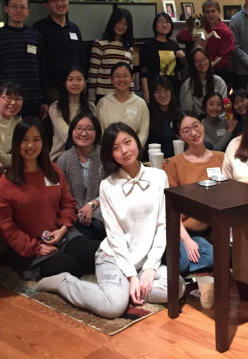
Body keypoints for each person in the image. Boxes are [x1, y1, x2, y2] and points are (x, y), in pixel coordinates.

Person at [35, 122, 186, 319]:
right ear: (110, 154)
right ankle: (63, 282)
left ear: (136, 141)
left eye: (127, 142)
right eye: (116, 148)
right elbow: (114, 236)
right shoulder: (108, 186)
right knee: (113, 307)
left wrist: (149, 269)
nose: (124, 150)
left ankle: (127, 289)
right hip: (114, 257)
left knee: (177, 287)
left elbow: (162, 225)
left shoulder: (158, 176)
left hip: (145, 262)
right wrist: (131, 276)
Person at [0, 117, 100, 281]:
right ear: (16, 143)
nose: (30, 145)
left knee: (95, 253)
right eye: (25, 140)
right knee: (72, 268)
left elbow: (68, 203)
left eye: (36, 139)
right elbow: (5, 225)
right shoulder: (7, 181)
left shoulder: (53, 171)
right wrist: (35, 247)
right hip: (32, 246)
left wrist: (63, 228)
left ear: (43, 142)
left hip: (62, 234)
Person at [165, 112, 219, 275]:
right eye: (186, 131)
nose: (194, 133)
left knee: (215, 256)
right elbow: (170, 208)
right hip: (179, 229)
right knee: (180, 262)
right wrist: (186, 239)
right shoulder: (175, 163)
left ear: (202, 124)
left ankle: (171, 265)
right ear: (179, 136)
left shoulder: (221, 158)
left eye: (196, 126)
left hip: (209, 230)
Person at [0, 0, 49, 118]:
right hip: (7, 101)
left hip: (33, 99)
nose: (18, 10)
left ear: (28, 11)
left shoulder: (36, 35)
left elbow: (42, 69)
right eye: (14, 6)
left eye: (22, 7)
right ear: (6, 9)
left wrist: (45, 99)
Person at [56, 112, 106, 241]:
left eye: (89, 129)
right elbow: (60, 195)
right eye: (79, 128)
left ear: (96, 132)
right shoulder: (63, 159)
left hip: (104, 213)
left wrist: (92, 205)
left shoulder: (105, 156)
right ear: (72, 131)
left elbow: (114, 187)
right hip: (73, 217)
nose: (83, 133)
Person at [33, 0, 86, 103]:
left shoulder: (74, 28)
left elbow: (81, 57)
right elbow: (38, 62)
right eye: (54, 0)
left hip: (74, 87)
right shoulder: (40, 28)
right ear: (46, 4)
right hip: (52, 89)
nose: (60, 3)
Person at [47, 67, 96, 161]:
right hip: (60, 156)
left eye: (79, 79)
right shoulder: (55, 108)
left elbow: (94, 133)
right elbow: (67, 135)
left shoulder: (91, 107)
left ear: (85, 82)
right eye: (70, 79)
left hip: (87, 156)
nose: (75, 83)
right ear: (64, 83)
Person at [95, 63, 149, 146]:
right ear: (111, 79)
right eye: (117, 76)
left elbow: (143, 133)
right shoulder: (103, 103)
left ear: (132, 78)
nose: (122, 79)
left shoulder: (140, 103)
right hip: (109, 150)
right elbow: (100, 132)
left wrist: (133, 148)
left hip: (134, 150)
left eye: (125, 76)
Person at [175, 0, 234, 75]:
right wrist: (194, 38)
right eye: (207, 12)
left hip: (216, 72)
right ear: (203, 14)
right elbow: (180, 37)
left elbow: (224, 59)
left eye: (213, 11)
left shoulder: (225, 32)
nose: (210, 14)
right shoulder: (201, 25)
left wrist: (206, 67)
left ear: (219, 12)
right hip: (196, 69)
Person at [87, 7, 134, 101]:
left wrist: (132, 95)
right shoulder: (100, 44)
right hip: (103, 95)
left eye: (125, 24)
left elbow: (130, 75)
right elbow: (93, 72)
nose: (121, 26)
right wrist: (91, 96)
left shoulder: (129, 48)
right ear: (112, 23)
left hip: (123, 94)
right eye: (118, 22)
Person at [139, 12, 185, 103]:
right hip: (156, 89)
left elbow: (178, 69)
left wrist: (182, 58)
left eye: (168, 22)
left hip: (173, 89)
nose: (165, 24)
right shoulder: (148, 45)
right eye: (161, 22)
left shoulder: (174, 44)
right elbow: (143, 71)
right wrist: (146, 92)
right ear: (155, 25)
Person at [179, 47, 227, 115]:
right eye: (197, 61)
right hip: (197, 120)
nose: (201, 63)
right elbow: (187, 112)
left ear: (209, 59)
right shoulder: (187, 86)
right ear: (192, 64)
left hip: (219, 119)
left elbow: (225, 108)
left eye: (204, 59)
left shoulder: (219, 81)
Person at [146, 76, 181, 158]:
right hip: (154, 160)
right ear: (152, 95)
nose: (163, 95)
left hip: (177, 158)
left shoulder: (180, 114)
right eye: (158, 92)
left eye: (166, 90)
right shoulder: (147, 115)